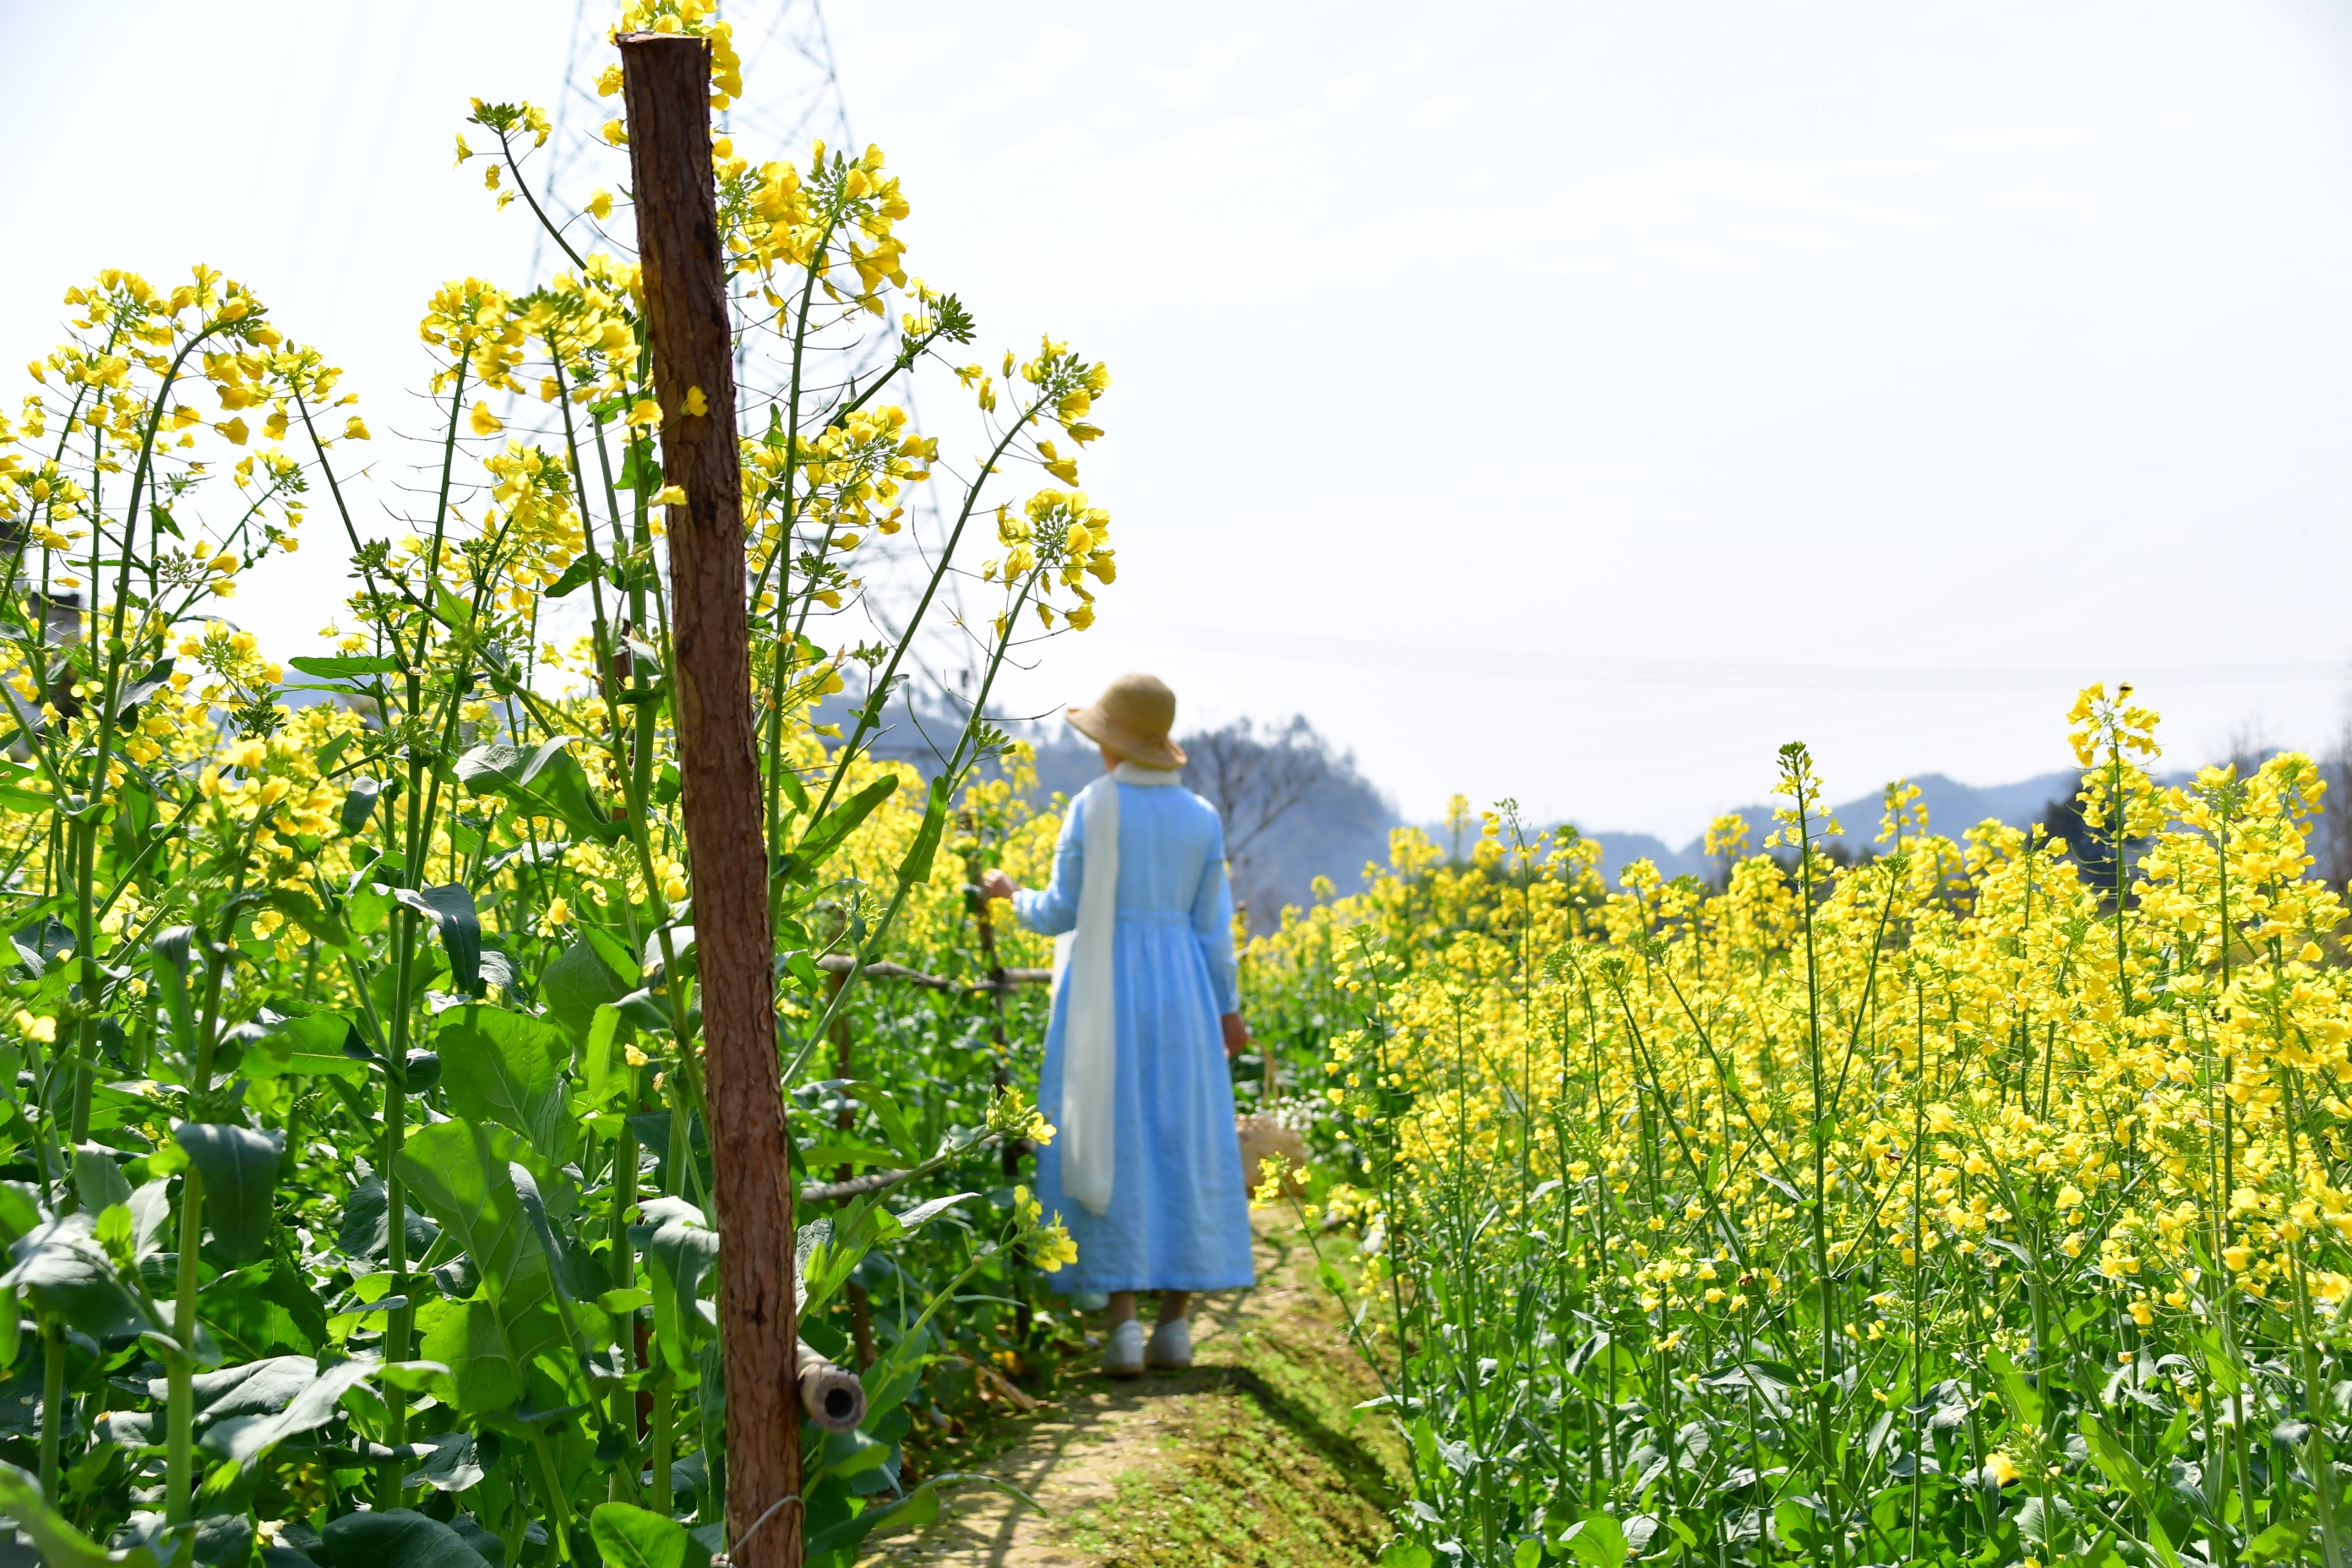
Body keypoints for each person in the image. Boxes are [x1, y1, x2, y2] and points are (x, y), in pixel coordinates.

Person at [980, 672, 1255, 1375]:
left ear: (1112, 747)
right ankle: (1176, 1328)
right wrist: (1228, 1010)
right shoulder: (1200, 817)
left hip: (1102, 991)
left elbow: (1060, 911)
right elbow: (1215, 931)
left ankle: (1124, 1327)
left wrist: (1012, 897)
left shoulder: (1092, 807)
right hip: (1185, 994)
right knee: (1181, 1140)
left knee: (1111, 1135)